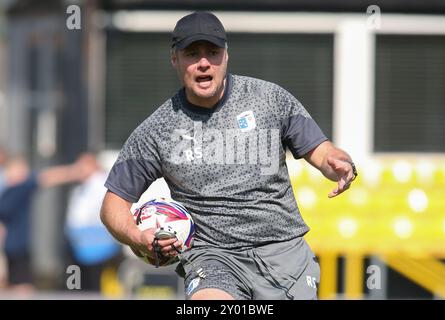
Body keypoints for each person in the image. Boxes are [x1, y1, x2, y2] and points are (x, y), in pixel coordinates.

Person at [100, 11, 357, 300]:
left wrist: (338, 162)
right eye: (192, 54)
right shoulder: (158, 129)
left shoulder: (269, 99)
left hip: (282, 255)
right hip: (212, 258)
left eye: (213, 52)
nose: (204, 63)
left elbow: (322, 151)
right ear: (175, 59)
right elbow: (113, 204)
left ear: (226, 55)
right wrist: (137, 237)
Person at [0, 155, 83, 293]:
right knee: (12, 285)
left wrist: (73, 171)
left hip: (20, 246)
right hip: (9, 247)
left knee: (22, 286)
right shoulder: (8, 191)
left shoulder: (23, 187)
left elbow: (48, 177)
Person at [65, 153, 122, 292]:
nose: (77, 170)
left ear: (93, 166)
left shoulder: (102, 184)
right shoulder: (80, 188)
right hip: (81, 249)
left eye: (82, 166)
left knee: (97, 289)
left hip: (101, 250)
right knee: (79, 287)